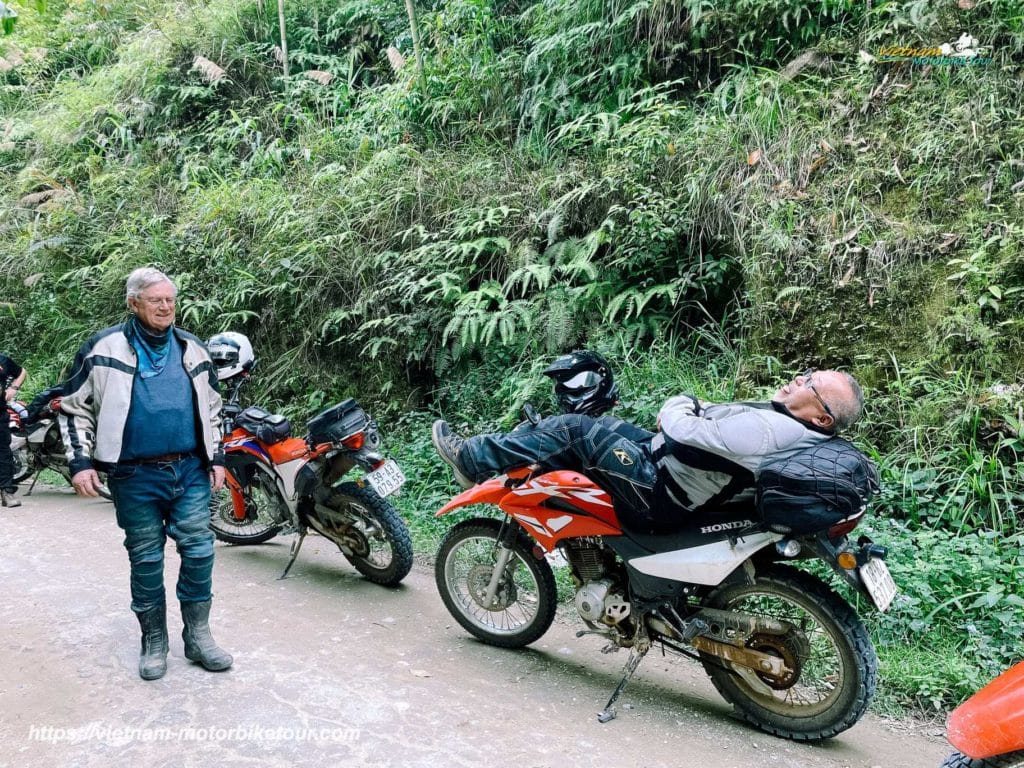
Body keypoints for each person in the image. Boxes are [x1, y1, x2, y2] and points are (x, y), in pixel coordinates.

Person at [59, 267, 232, 680]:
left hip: (189, 468)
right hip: (133, 474)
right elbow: (71, 406)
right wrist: (80, 463)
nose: (166, 306)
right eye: (156, 300)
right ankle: (154, 640)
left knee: (199, 550)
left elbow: (213, 408)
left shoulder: (192, 348)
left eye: (170, 299)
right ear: (133, 302)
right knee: (146, 558)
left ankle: (198, 635)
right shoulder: (103, 348)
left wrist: (218, 457)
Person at [432, 369, 864, 534]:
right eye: (808, 374)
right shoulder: (794, 428)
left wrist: (679, 400)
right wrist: (692, 412)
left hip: (660, 491)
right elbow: (703, 425)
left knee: (577, 429)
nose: (798, 380)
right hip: (674, 468)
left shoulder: (767, 430)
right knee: (600, 426)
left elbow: (683, 427)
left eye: (810, 385)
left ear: (823, 417)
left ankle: (472, 459)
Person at [0, 352, 27, 507]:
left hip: (0, 413)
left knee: (3, 453)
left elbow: (21, 371)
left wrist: (14, 388)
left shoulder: (3, 359)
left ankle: (6, 492)